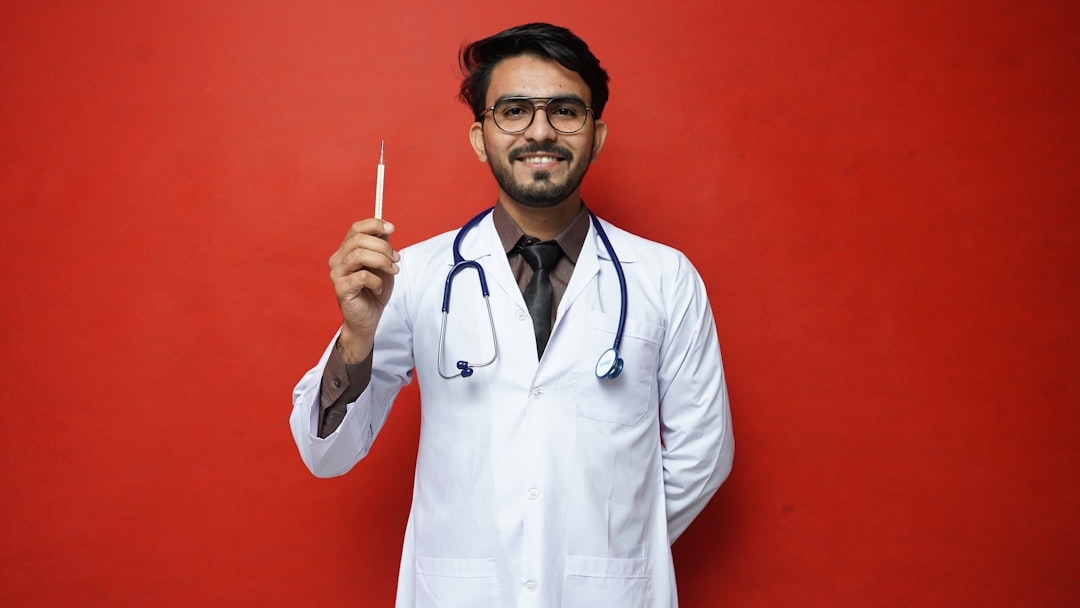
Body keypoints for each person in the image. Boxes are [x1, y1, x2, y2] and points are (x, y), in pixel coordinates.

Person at [290, 22, 734, 608]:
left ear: (596, 134)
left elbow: (705, 453)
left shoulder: (665, 278)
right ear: (480, 137)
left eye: (566, 112)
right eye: (515, 111)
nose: (540, 132)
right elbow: (325, 453)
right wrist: (356, 335)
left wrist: (605, 548)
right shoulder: (415, 275)